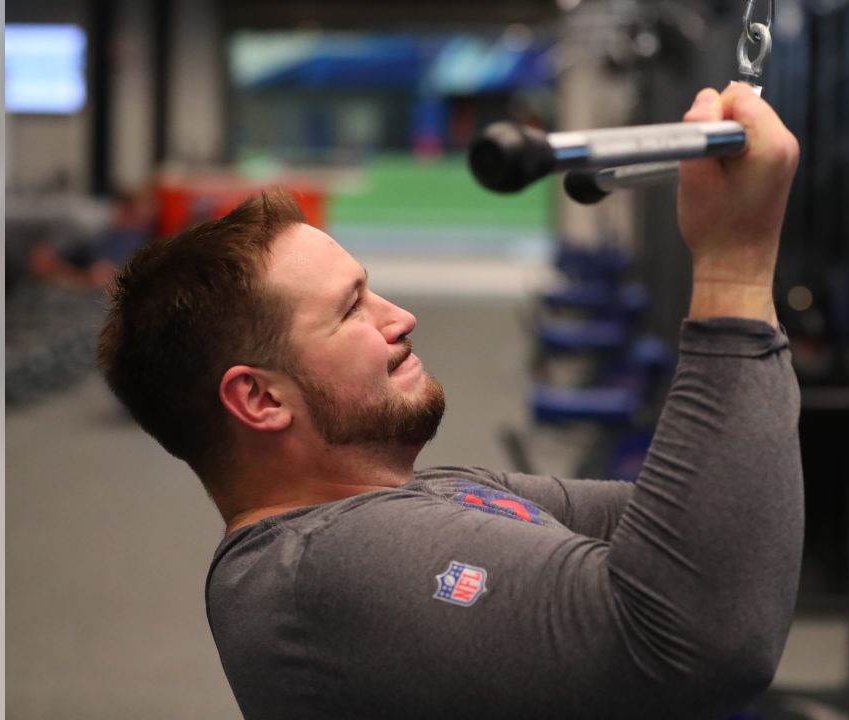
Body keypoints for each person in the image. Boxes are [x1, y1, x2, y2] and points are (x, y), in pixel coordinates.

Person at [98, 83, 803, 720]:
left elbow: (712, 530)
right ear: (259, 398)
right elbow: (699, 637)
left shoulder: (444, 492)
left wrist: (743, 273)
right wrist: (735, 269)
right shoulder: (318, 568)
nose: (399, 316)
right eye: (351, 311)